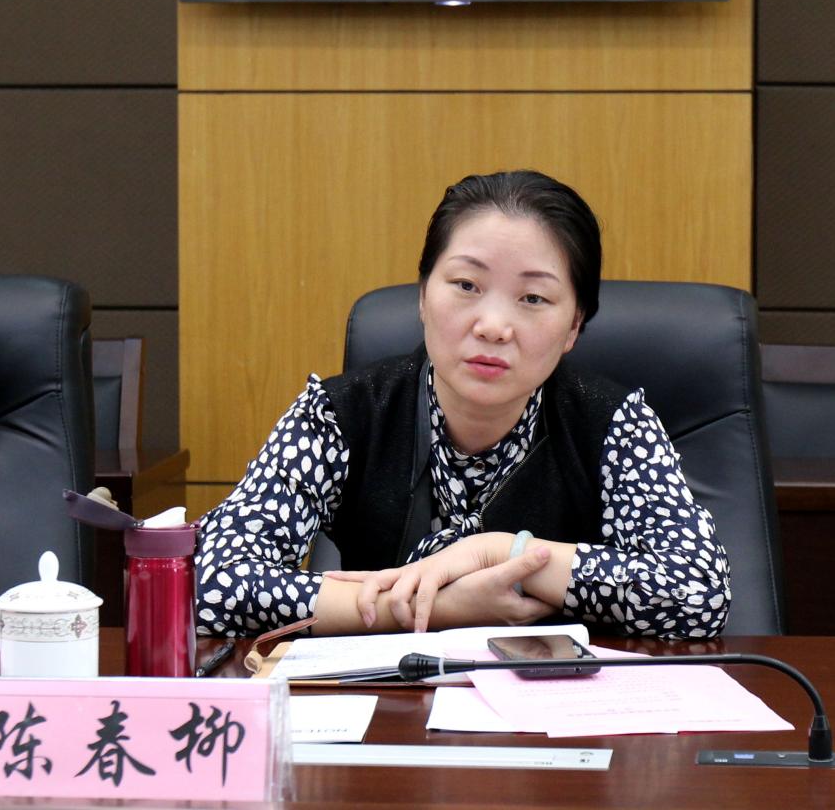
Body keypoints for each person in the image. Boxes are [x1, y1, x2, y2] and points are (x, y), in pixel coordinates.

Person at [195, 170, 730, 640]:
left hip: (554, 709)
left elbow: (697, 593)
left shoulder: (613, 423)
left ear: (574, 325)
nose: (493, 326)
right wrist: (435, 609)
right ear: (423, 295)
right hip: (387, 706)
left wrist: (499, 551)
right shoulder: (340, 414)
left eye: (533, 298)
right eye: (467, 285)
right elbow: (212, 581)